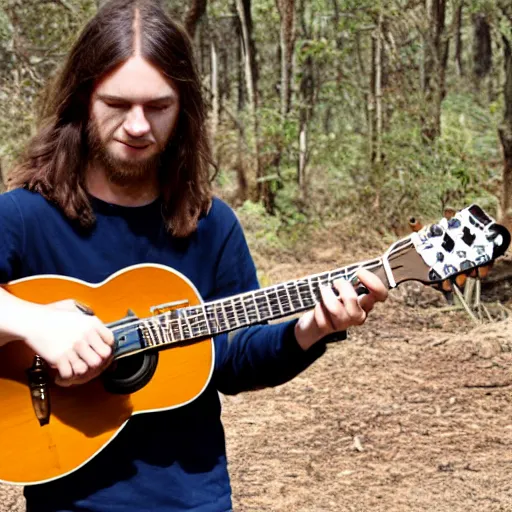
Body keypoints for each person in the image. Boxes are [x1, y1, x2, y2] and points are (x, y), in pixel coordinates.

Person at [0, 0, 388, 510]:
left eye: (158, 107)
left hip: (192, 496)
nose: (138, 126)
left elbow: (231, 362)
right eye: (117, 104)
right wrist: (34, 322)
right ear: (83, 100)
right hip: (69, 498)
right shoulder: (25, 216)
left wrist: (312, 329)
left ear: (183, 109)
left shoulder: (212, 225)